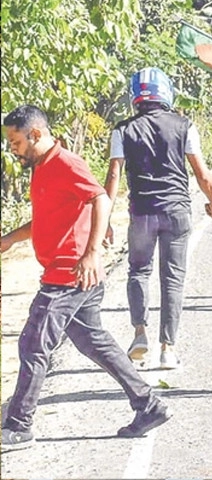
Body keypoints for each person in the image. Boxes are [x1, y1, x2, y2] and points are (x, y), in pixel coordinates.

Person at [1, 105, 171, 451]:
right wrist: (7, 240)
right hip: (69, 273)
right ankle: (149, 405)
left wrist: (92, 252)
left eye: (16, 142)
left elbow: (101, 199)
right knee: (93, 342)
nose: (12, 149)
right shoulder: (42, 168)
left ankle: (18, 426)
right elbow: (47, 220)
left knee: (34, 344)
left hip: (70, 273)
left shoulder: (66, 163)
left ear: (36, 134)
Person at [104, 68, 212, 370]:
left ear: (135, 96)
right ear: (166, 93)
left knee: (138, 271)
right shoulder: (184, 125)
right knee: (172, 279)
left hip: (142, 213)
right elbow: (202, 173)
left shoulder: (122, 130)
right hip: (176, 212)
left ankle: (139, 333)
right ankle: (168, 349)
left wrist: (104, 219)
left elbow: (114, 175)